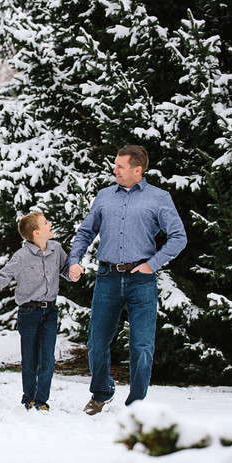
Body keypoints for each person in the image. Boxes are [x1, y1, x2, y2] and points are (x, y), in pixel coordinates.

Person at [68, 145, 187, 415]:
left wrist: (152, 264)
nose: (115, 170)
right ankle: (101, 393)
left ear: (138, 169)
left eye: (120, 166)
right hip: (107, 277)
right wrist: (75, 259)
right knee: (97, 342)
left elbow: (179, 237)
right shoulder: (104, 197)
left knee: (141, 345)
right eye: (115, 165)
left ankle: (136, 405)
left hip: (140, 280)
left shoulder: (159, 198)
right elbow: (86, 232)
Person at [0, 211, 71, 412]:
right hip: (29, 313)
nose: (50, 223)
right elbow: (3, 276)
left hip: (50, 312)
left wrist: (74, 271)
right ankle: (28, 398)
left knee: (47, 359)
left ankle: (41, 401)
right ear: (36, 233)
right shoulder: (21, 257)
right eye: (46, 222)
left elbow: (65, 269)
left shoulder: (56, 248)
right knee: (30, 359)